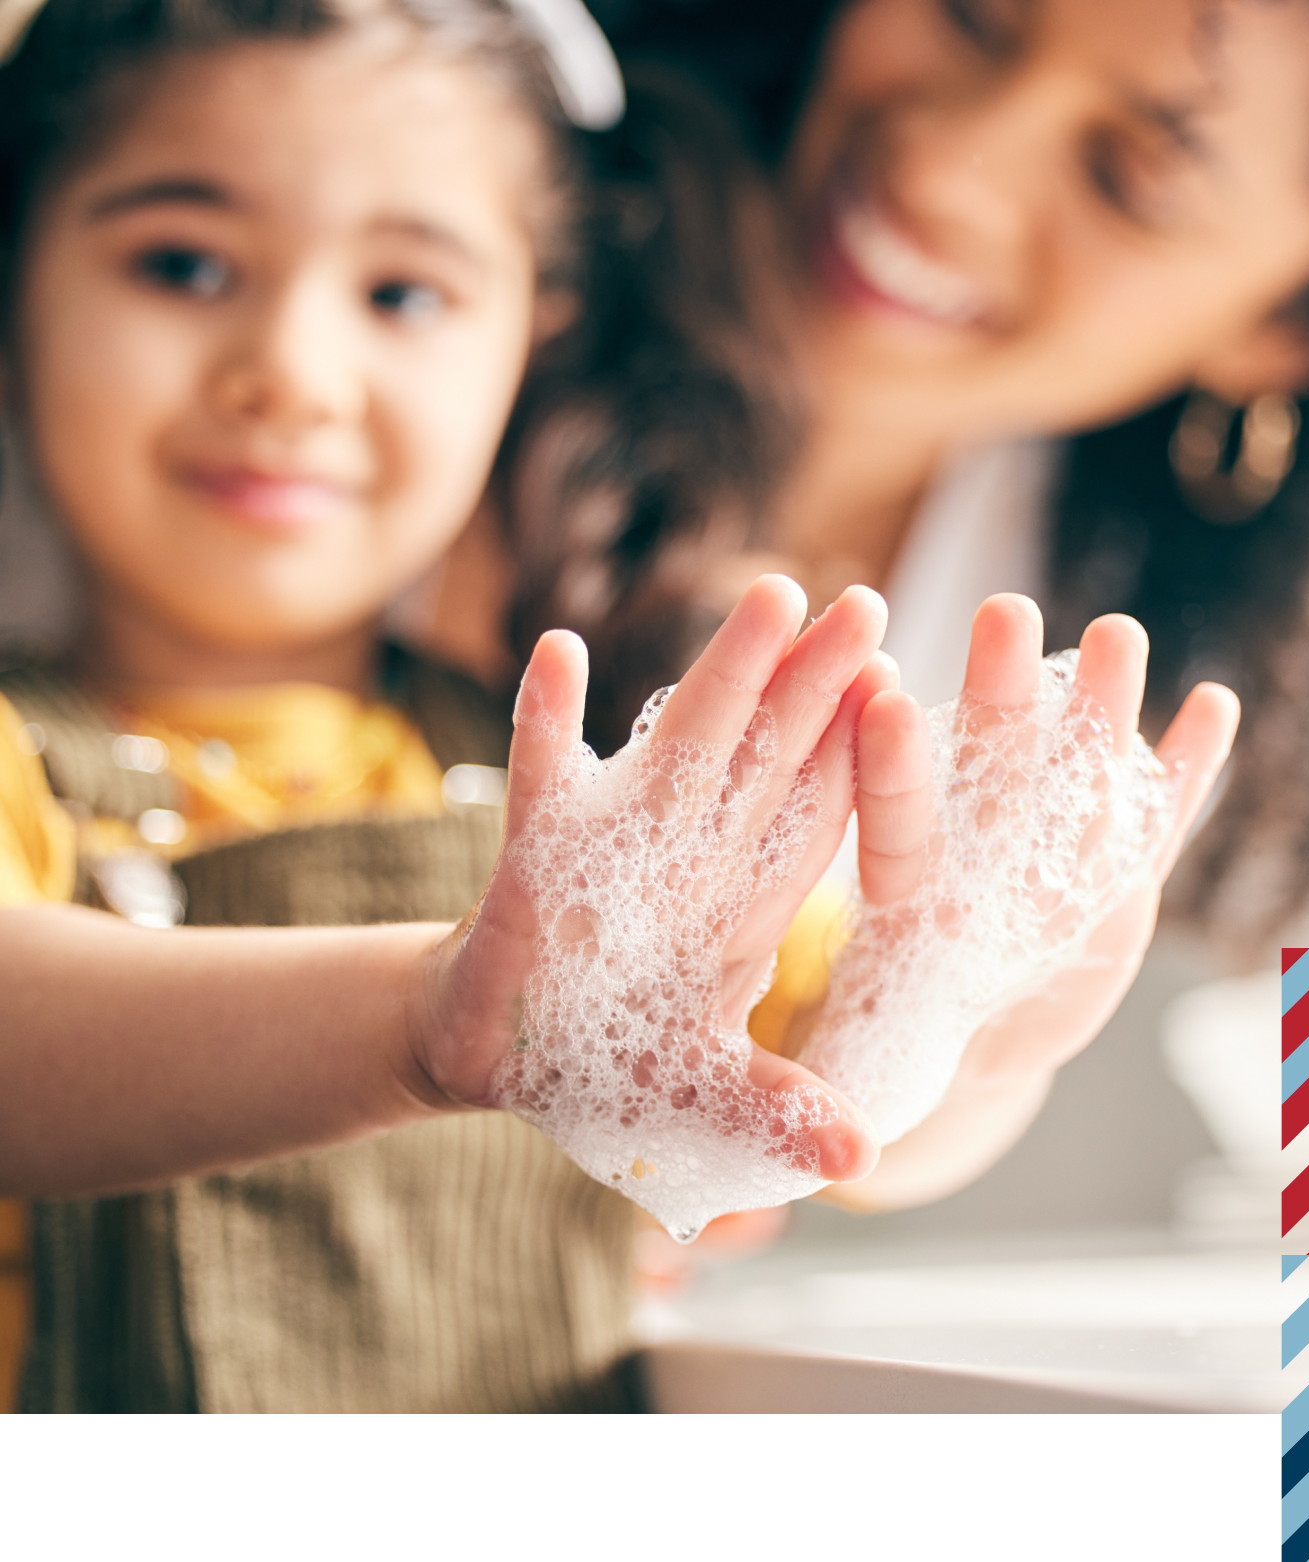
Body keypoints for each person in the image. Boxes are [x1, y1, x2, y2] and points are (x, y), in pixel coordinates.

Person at [0, 0, 1235, 1410]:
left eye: (403, 294)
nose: (289, 369)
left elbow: (836, 1118)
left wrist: (970, 1039)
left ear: (535, 332)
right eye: (182, 263)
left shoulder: (593, 818)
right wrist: (425, 1021)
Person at [415, 0, 1309, 1217]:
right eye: (973, 15)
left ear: (1297, 328)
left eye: (1128, 175)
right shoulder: (418, 290)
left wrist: (951, 1064)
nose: (949, 167)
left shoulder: (1075, 637)